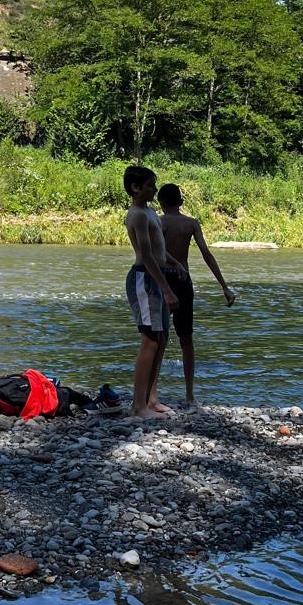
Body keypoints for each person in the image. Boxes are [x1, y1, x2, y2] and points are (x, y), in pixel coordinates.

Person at [156, 183, 236, 405]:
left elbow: (157, 252)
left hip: (164, 281)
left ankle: (152, 392)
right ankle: (190, 394)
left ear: (160, 203)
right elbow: (206, 254)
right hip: (183, 281)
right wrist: (224, 286)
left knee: (159, 337)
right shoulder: (191, 224)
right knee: (186, 340)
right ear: (181, 202)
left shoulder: (159, 223)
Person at [123, 165, 180, 419]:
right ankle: (138, 406)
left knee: (162, 338)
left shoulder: (150, 212)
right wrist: (167, 289)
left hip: (156, 277)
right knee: (150, 339)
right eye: (150, 186)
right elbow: (146, 256)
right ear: (135, 188)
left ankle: (151, 399)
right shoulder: (136, 215)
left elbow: (158, 249)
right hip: (144, 279)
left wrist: (174, 263)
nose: (155, 190)